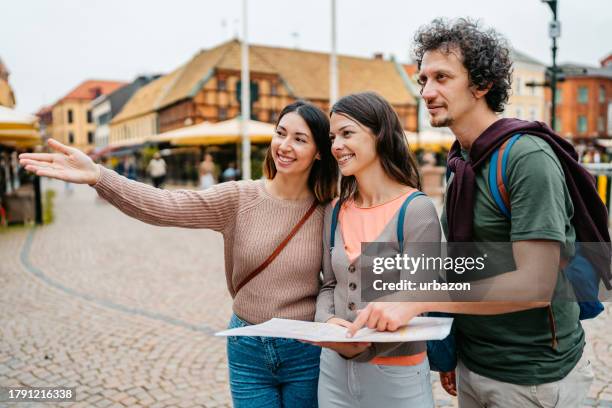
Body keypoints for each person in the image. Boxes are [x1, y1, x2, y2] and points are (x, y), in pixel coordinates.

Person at [347, 18, 609, 408]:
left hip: (532, 377)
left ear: (482, 85)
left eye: (441, 78)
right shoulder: (462, 162)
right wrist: (453, 348)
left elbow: (535, 284)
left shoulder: (525, 158)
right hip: (475, 364)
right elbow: (465, 263)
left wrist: (418, 298)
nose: (426, 91)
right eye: (422, 80)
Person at [19, 101, 339, 408]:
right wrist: (99, 177)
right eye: (280, 133)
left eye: (300, 139)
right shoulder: (239, 198)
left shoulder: (328, 209)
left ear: (319, 153)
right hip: (247, 346)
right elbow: (165, 206)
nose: (285, 145)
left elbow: (336, 280)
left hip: (305, 351)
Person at [313, 92, 440, 407]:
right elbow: (329, 284)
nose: (336, 146)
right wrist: (325, 322)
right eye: (332, 137)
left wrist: (366, 346)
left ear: (379, 134)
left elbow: (420, 296)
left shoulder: (415, 209)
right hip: (333, 372)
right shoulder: (334, 211)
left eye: (347, 133)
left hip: (398, 376)